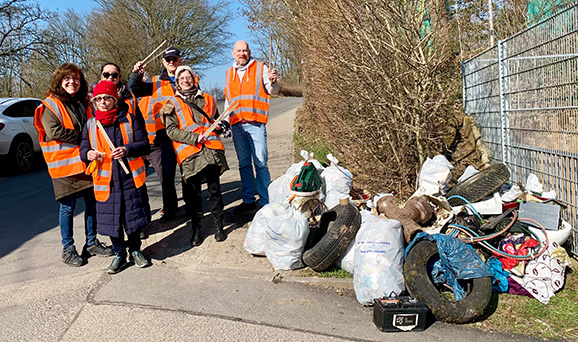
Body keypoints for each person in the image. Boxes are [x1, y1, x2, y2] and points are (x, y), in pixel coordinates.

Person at [34, 63, 112, 267]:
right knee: (67, 208)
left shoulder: (84, 102)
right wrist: (84, 137)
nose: (72, 82)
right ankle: (68, 249)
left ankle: (91, 242)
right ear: (59, 81)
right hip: (64, 167)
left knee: (92, 204)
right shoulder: (49, 105)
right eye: (67, 78)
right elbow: (54, 132)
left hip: (86, 163)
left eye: (76, 79)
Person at [80, 80, 152, 274]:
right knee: (112, 221)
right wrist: (88, 155)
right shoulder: (90, 124)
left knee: (133, 219)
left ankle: (136, 250)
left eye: (107, 98)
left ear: (114, 99)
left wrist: (127, 149)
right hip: (106, 182)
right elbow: (83, 148)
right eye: (98, 99)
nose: (102, 102)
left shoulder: (130, 119)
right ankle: (119, 254)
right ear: (94, 102)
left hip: (130, 179)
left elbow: (145, 144)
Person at [160, 66, 229, 246]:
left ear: (194, 79)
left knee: (215, 190)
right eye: (181, 77)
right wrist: (194, 137)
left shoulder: (209, 99)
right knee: (193, 194)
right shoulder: (171, 104)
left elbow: (213, 121)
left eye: (188, 76)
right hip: (190, 154)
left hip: (211, 150)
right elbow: (171, 131)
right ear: (177, 82)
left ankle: (218, 225)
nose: (185, 80)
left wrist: (220, 126)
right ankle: (196, 228)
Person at [224, 40, 280, 214]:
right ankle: (248, 200)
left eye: (245, 50)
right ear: (234, 53)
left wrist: (274, 82)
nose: (242, 53)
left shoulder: (261, 68)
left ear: (249, 52)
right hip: (237, 126)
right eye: (238, 51)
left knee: (261, 163)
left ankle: (265, 201)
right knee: (244, 164)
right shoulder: (229, 73)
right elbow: (228, 100)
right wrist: (226, 122)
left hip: (255, 124)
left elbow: (273, 91)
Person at [128, 47, 183, 221]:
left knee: (189, 173)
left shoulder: (188, 79)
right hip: (160, 137)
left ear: (180, 60)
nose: (172, 62)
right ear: (163, 62)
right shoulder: (154, 83)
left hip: (185, 134)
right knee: (164, 176)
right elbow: (132, 89)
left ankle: (192, 206)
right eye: (168, 60)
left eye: (174, 59)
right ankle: (170, 209)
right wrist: (136, 74)